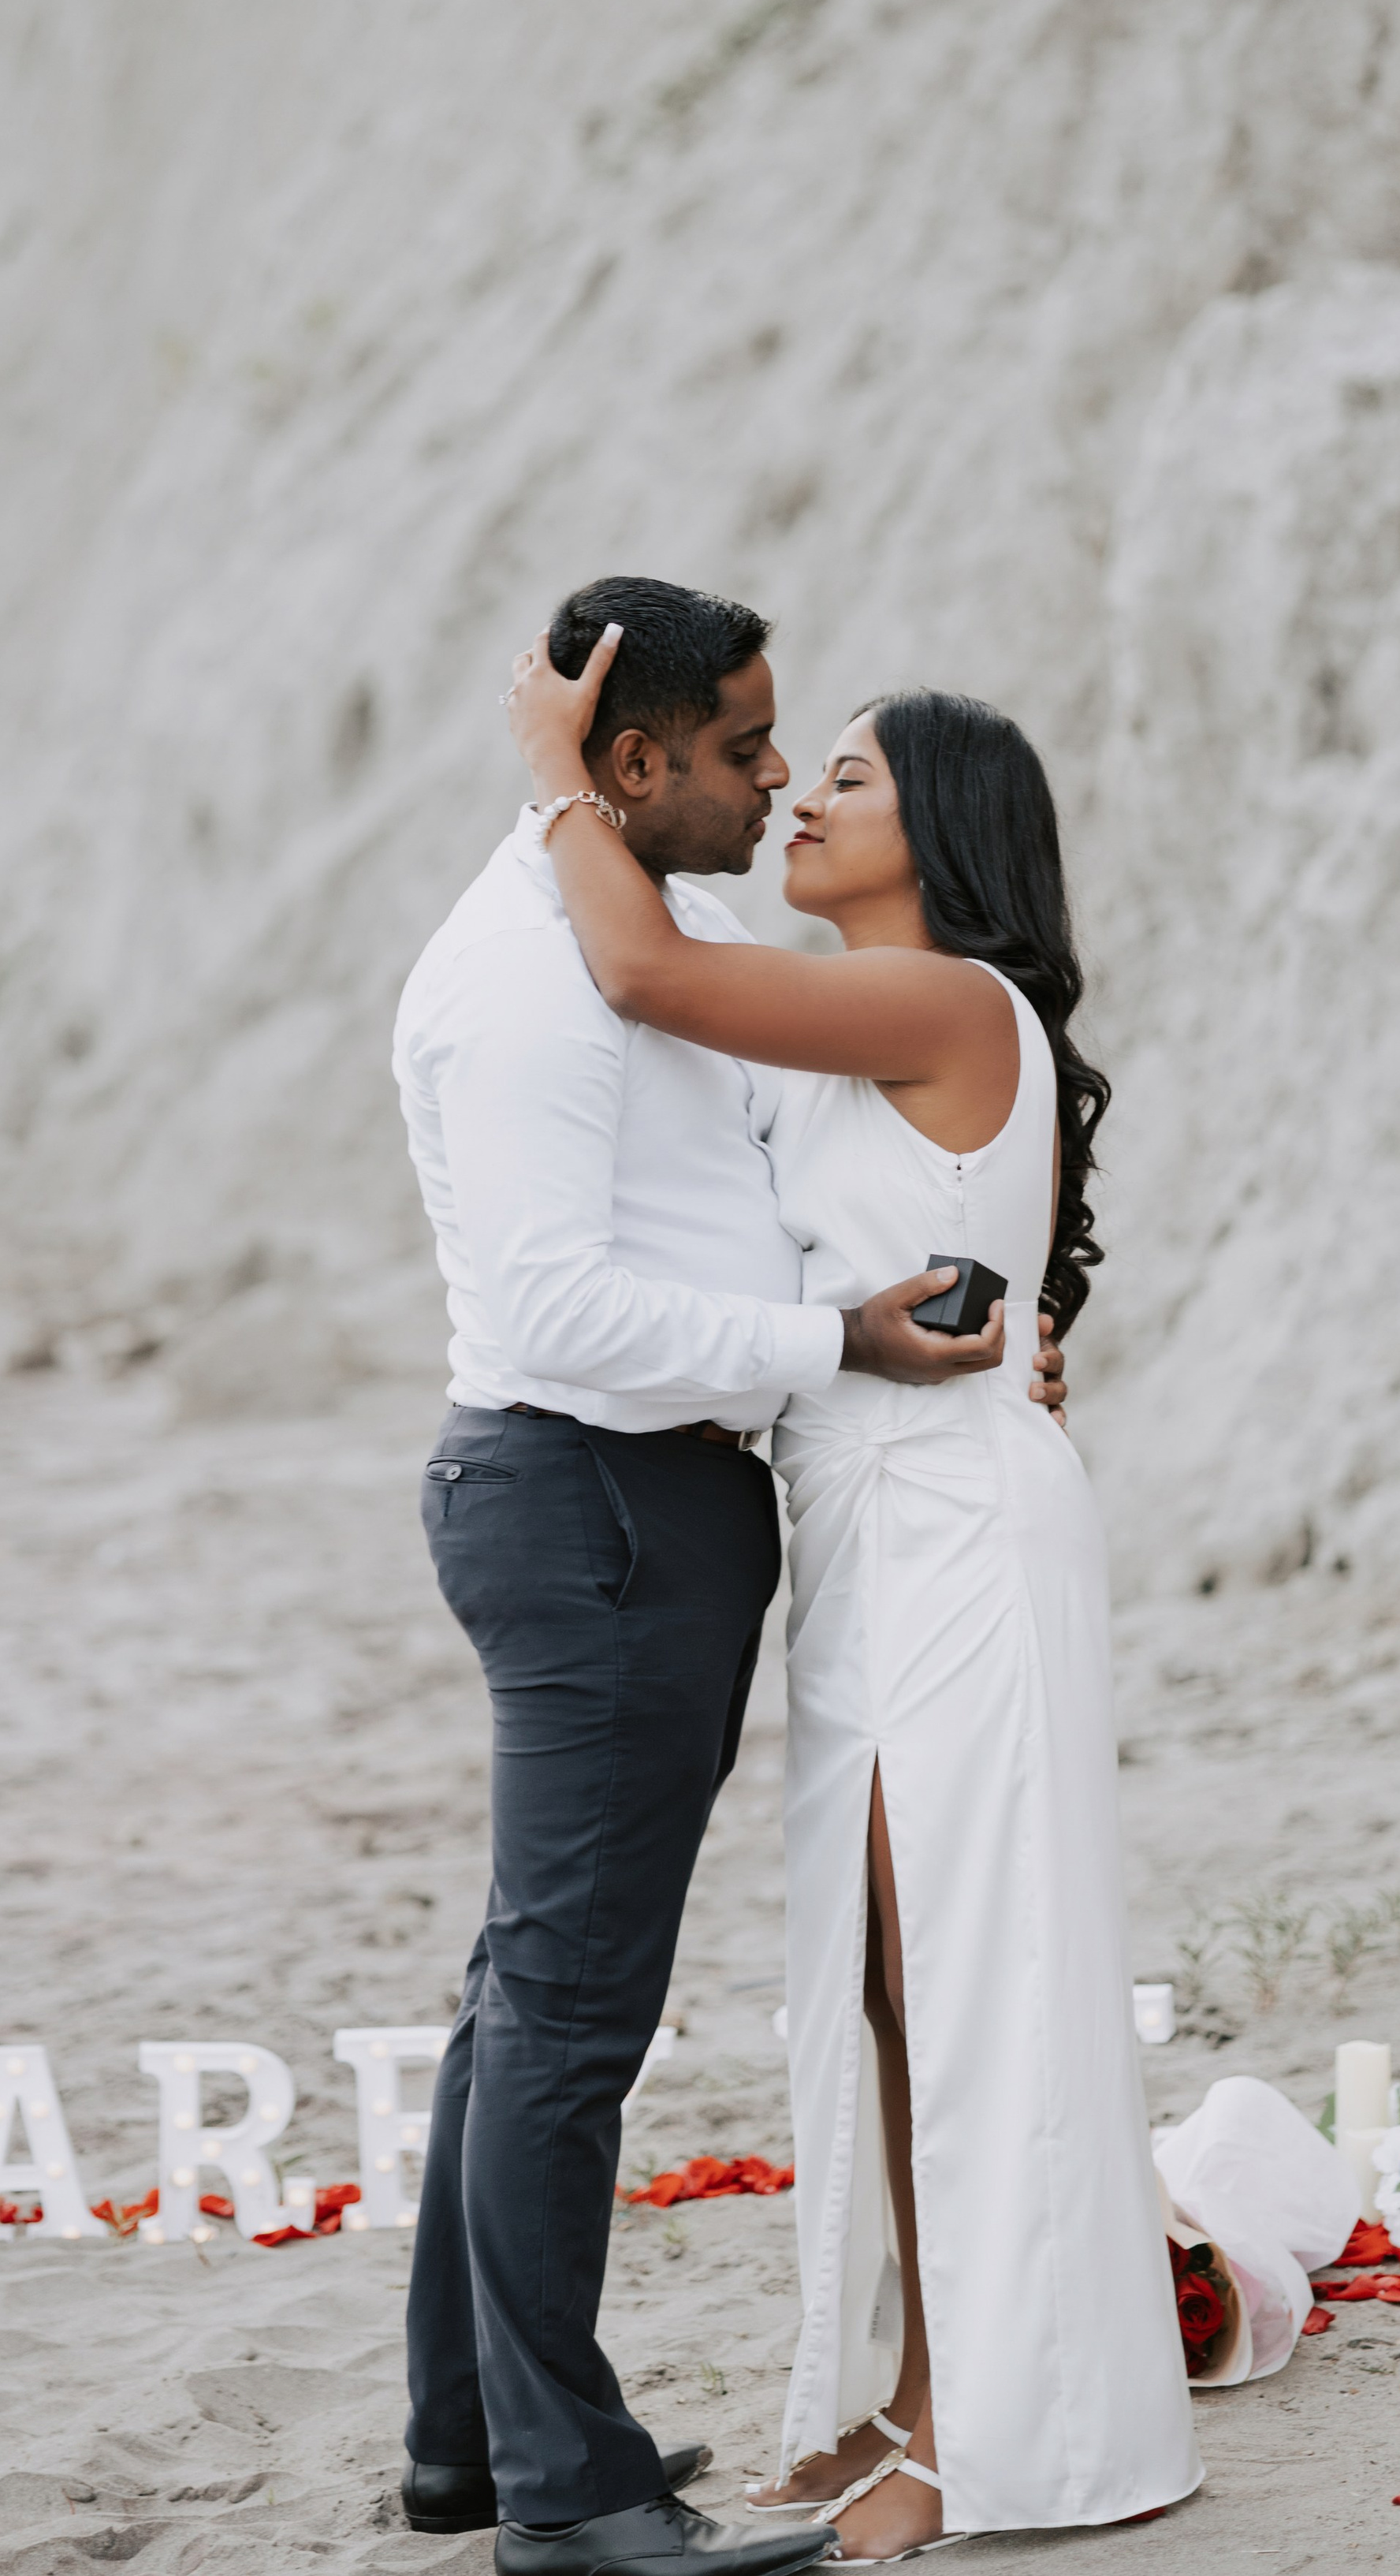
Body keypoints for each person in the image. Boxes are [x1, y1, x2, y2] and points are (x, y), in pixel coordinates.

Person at [391, 577, 1070, 2576]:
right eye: (750, 748)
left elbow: (776, 1193)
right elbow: (558, 1303)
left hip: (662, 1510)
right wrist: (835, 1343)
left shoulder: (648, 936)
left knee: (526, 1998)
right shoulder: (545, 973)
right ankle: (566, 2498)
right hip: (590, 1500)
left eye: (810, 755)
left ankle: (468, 2438)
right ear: (627, 761)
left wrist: (981, 1305)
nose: (775, 778)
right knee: (568, 2019)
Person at [505, 630, 1201, 2559]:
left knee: (952, 1978)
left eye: (854, 779)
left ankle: (972, 2439)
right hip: (885, 1531)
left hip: (949, 1537)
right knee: (895, 1991)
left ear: (945, 834)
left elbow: (637, 965)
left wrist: (555, 772)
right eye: (804, 768)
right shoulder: (869, 1014)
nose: (803, 792)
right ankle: (910, 2397)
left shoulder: (936, 995)